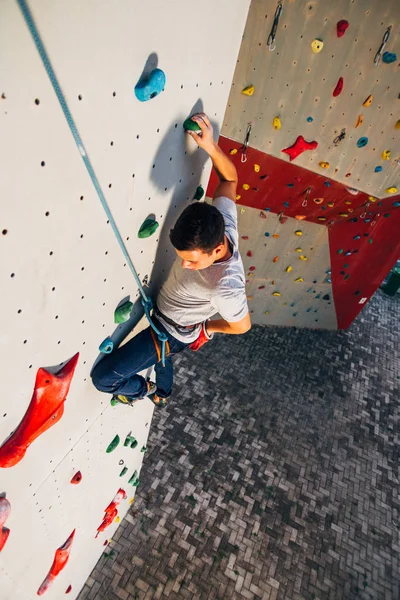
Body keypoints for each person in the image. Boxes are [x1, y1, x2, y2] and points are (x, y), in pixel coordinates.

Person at [91, 112, 251, 408]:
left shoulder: (226, 287)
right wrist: (211, 148)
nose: (184, 267)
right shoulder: (222, 222)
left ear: (217, 251)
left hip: (174, 331)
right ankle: (163, 392)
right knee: (163, 356)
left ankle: (148, 390)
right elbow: (230, 178)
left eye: (191, 262)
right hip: (166, 319)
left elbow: (242, 326)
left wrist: (207, 329)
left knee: (104, 379)